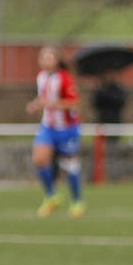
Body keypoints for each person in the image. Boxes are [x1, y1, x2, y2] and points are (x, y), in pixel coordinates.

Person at [26, 45, 84, 218]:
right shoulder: (41, 77)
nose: (45, 60)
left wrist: (50, 104)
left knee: (69, 166)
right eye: (42, 57)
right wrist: (36, 104)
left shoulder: (65, 78)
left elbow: (74, 103)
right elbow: (43, 98)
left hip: (67, 128)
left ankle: (77, 201)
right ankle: (52, 196)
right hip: (48, 127)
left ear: (57, 59)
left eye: (49, 57)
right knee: (39, 159)